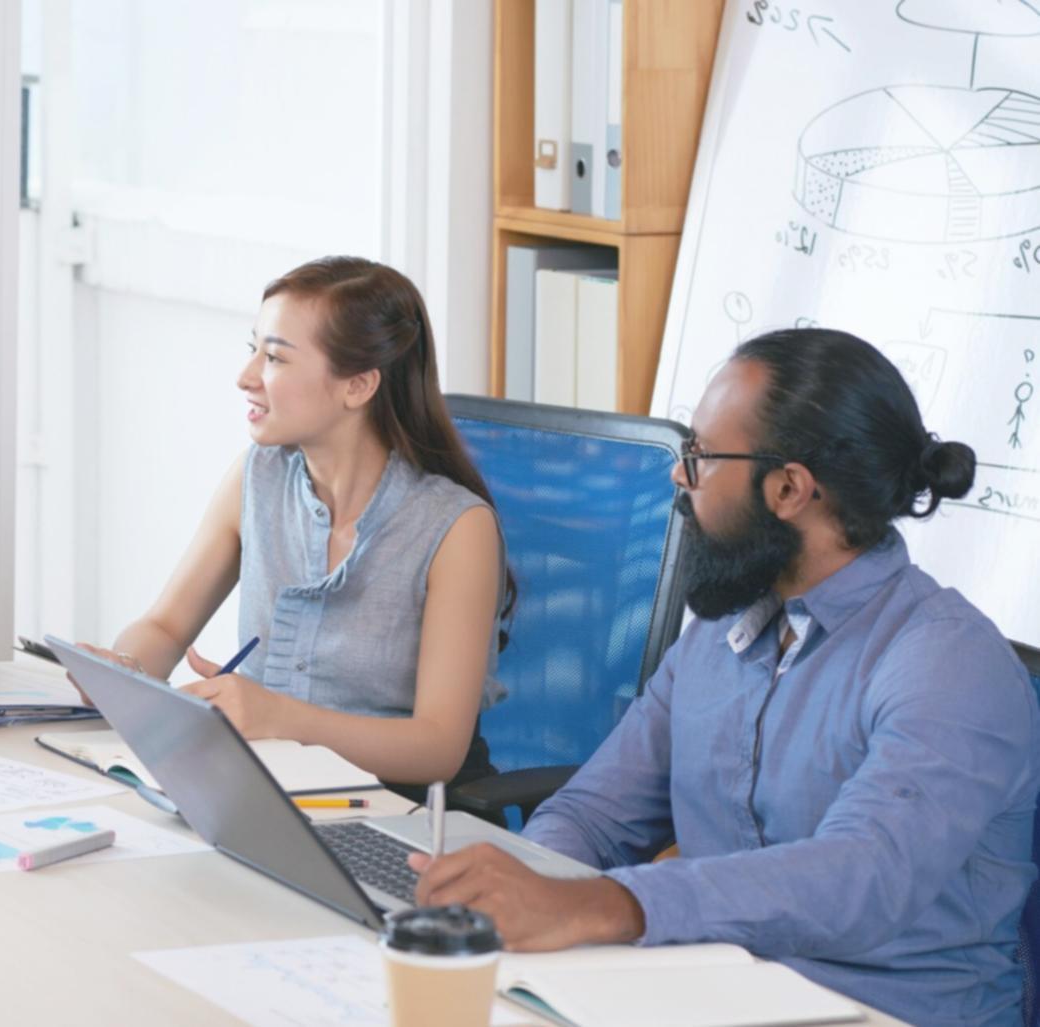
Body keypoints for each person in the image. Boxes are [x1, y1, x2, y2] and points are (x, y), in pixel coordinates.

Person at [410, 328, 1039, 1026]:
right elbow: (595, 813)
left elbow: (861, 876)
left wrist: (607, 904)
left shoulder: (947, 663)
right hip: (715, 992)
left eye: (701, 456)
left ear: (789, 488)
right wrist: (528, 886)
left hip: (880, 1010)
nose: (679, 477)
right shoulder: (721, 631)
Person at [91, 256, 512, 788]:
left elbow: (438, 748)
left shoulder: (456, 528)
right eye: (253, 350)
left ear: (357, 386)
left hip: (395, 809)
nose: (246, 377)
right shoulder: (257, 477)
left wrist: (277, 717)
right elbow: (166, 627)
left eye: (274, 358)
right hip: (267, 787)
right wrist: (123, 670)